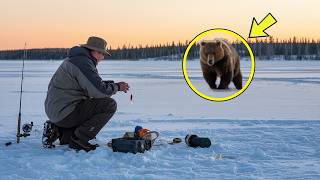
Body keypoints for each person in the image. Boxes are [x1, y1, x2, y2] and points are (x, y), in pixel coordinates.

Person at [43, 36, 129, 152]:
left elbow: (91, 85)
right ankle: (79, 140)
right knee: (109, 105)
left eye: (103, 54)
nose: (102, 57)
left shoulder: (77, 59)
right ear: (91, 50)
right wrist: (117, 87)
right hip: (65, 111)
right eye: (100, 53)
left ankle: (59, 131)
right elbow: (99, 91)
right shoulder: (83, 63)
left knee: (68, 139)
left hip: (57, 110)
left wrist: (111, 85)